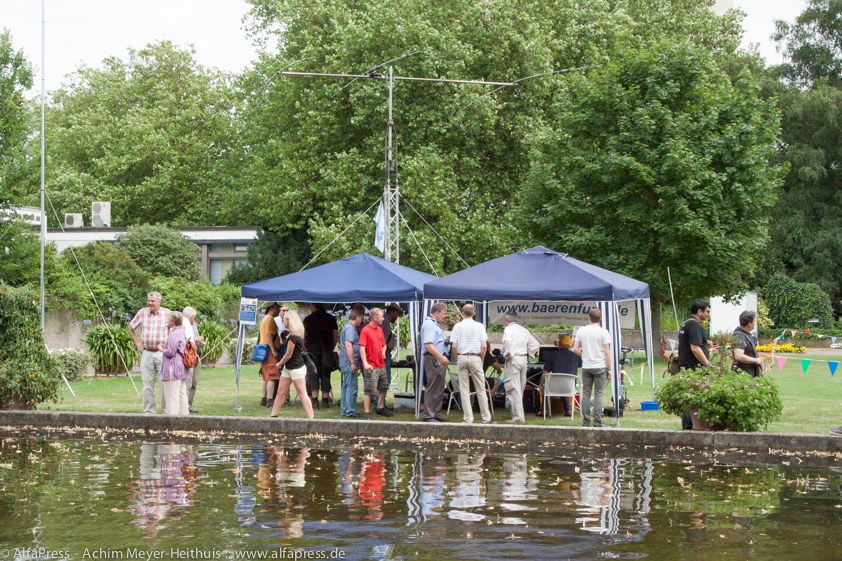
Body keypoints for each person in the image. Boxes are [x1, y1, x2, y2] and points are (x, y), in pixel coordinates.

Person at [129, 291, 171, 414]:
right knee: (147, 384)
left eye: (152, 301)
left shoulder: (167, 313)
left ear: (159, 301)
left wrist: (168, 345)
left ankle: (166, 412)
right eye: (149, 301)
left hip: (161, 353)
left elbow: (176, 328)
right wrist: (137, 342)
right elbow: (131, 326)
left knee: (164, 383)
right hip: (147, 352)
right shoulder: (142, 313)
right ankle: (149, 412)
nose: (150, 303)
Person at [450, 304, 493, 424]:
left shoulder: (457, 326)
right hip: (475, 357)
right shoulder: (479, 326)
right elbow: (484, 345)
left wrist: (458, 356)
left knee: (464, 389)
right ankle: (486, 418)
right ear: (474, 313)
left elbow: (454, 345)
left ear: (462, 313)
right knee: (480, 388)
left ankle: (468, 418)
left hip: (462, 357)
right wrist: (482, 359)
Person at [270, 312, 315, 419]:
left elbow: (288, 355)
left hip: (296, 367)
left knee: (301, 393)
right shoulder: (293, 336)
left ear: (289, 321)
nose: (283, 321)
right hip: (289, 368)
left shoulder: (292, 337)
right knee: (281, 391)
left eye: (285, 319)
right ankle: (273, 415)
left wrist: (279, 363)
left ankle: (311, 418)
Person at [572, 310, 611, 427]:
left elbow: (574, 349)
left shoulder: (581, 331)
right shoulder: (604, 332)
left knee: (586, 393)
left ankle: (586, 421)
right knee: (599, 394)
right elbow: (607, 352)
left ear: (589, 318)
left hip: (586, 366)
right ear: (600, 319)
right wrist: (609, 369)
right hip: (600, 365)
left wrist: (584, 355)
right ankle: (597, 421)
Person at [677, 299, 712, 429]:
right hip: (693, 367)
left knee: (689, 396)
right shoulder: (695, 325)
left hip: (686, 365)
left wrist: (705, 342)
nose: (708, 314)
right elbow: (695, 348)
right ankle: (689, 425)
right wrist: (708, 365)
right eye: (707, 311)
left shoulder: (686, 322)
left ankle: (689, 424)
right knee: (692, 397)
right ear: (699, 311)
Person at [501, 311, 539, 424]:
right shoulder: (524, 330)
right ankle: (517, 414)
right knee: (520, 387)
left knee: (513, 388)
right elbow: (536, 344)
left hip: (514, 359)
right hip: (523, 359)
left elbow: (507, 341)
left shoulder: (508, 329)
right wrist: (528, 353)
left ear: (506, 319)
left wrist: (508, 353)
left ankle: (518, 417)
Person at [303, 303, 339, 409]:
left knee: (313, 374)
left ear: (314, 306)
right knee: (326, 374)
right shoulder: (330, 318)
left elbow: (303, 335)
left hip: (312, 350)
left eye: (310, 306)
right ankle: (325, 400)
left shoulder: (308, 319)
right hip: (326, 350)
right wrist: (330, 348)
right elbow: (335, 335)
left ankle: (314, 401)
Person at [421, 302, 450, 422]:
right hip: (433, 358)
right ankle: (428, 415)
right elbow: (428, 344)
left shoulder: (435, 324)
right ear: (436, 313)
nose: (444, 316)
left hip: (437, 358)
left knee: (439, 388)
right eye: (443, 314)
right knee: (433, 387)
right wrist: (441, 357)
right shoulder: (429, 324)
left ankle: (435, 413)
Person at [359, 307, 390, 420]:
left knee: (384, 386)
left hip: (381, 364)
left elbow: (384, 344)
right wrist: (365, 363)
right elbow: (362, 348)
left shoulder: (379, 330)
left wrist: (383, 352)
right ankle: (367, 412)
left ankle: (380, 407)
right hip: (371, 365)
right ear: (375, 318)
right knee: (369, 389)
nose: (383, 319)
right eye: (381, 316)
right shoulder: (365, 330)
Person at [541, 334, 582, 416]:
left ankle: (543, 410)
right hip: (570, 386)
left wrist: (541, 385)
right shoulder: (575, 356)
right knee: (564, 384)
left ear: (560, 344)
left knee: (547, 386)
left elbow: (545, 372)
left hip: (555, 386)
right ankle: (568, 410)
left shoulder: (553, 355)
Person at [159, 310, 189, 416]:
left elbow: (170, 352)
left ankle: (171, 419)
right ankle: (184, 417)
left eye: (168, 319)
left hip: (173, 367)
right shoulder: (182, 332)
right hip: (181, 367)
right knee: (182, 394)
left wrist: (161, 349)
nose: (167, 321)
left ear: (173, 321)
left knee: (172, 395)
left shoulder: (174, 333)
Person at [340, 310, 364, 418]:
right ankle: (350, 411)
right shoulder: (350, 328)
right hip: (348, 362)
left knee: (346, 386)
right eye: (361, 319)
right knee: (351, 387)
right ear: (358, 318)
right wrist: (353, 362)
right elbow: (348, 346)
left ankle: (344, 409)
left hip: (345, 362)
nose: (361, 322)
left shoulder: (347, 327)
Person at [378, 303, 403, 412]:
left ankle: (381, 403)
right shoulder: (385, 321)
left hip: (385, 353)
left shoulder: (385, 321)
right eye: (397, 315)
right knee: (384, 379)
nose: (397, 318)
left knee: (384, 379)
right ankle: (379, 404)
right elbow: (381, 339)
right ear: (393, 312)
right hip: (383, 354)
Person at [181, 307, 205, 414]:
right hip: (188, 357)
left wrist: (199, 343)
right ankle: (184, 408)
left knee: (193, 382)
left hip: (195, 355)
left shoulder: (193, 324)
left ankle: (188, 406)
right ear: (192, 316)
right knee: (187, 382)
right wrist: (196, 339)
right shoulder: (183, 323)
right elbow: (186, 340)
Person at [258, 303, 282, 407]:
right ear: (271, 308)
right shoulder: (270, 319)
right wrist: (273, 350)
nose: (278, 311)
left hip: (264, 351)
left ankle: (264, 398)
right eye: (277, 309)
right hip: (269, 351)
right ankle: (270, 399)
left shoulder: (265, 318)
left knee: (266, 376)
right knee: (272, 376)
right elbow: (268, 335)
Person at [731, 311, 767, 377]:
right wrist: (756, 360)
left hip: (748, 374)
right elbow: (739, 356)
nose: (755, 323)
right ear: (749, 324)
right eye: (754, 321)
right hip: (741, 376)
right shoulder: (739, 336)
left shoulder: (745, 334)